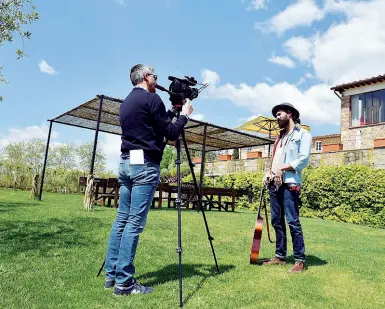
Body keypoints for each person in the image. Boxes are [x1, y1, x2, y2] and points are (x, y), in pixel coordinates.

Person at [103, 64, 193, 295]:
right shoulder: (152, 100)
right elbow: (171, 134)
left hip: (126, 163)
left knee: (121, 219)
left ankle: (111, 276)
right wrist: (184, 115)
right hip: (144, 166)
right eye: (154, 74)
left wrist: (172, 115)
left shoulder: (127, 103)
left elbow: (158, 126)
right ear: (145, 77)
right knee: (134, 223)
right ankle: (124, 283)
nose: (157, 78)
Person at [262, 102, 311, 274]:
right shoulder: (279, 138)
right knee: (277, 221)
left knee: (292, 221)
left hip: (290, 184)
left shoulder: (303, 134)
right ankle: (280, 256)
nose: (277, 117)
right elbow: (275, 160)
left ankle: (299, 260)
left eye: (279, 114)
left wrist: (282, 168)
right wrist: (268, 172)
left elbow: (303, 159)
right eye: (276, 115)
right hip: (274, 184)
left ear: (289, 114)